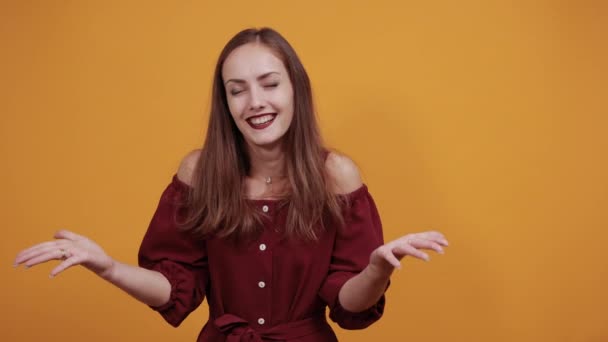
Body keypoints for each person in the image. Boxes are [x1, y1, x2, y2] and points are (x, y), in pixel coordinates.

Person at [14, 27, 449, 341]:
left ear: (296, 89)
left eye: (269, 84)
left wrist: (377, 269)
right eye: (236, 89)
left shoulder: (337, 175)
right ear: (225, 103)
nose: (255, 102)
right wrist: (107, 267)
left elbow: (349, 306)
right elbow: (175, 287)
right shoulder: (199, 172)